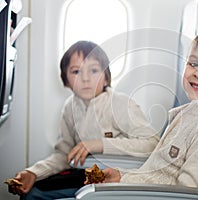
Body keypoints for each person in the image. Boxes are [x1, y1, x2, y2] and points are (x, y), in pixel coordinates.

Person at [97, 29, 198, 190]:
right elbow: (156, 173)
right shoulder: (189, 115)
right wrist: (121, 177)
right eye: (193, 64)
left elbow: (188, 193)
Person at [10, 41, 159, 199]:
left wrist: (100, 145)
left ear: (106, 78)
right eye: (76, 72)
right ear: (66, 81)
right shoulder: (70, 108)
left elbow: (152, 143)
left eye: (94, 70)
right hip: (84, 178)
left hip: (115, 181)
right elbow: (65, 154)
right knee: (32, 193)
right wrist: (34, 172)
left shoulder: (121, 104)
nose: (85, 78)